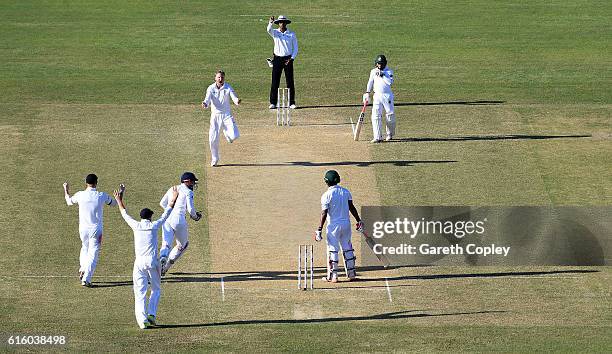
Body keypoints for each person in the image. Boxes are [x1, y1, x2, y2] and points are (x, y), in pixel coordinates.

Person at [114, 184, 178, 329]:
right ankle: (152, 314)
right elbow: (166, 213)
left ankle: (143, 321)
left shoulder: (135, 225)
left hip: (140, 263)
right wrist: (172, 199)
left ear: (141, 217)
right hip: (153, 262)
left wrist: (119, 199)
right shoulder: (154, 225)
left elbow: (124, 213)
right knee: (156, 289)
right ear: (150, 217)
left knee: (140, 292)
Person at [63, 174, 122, 287]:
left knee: (85, 247)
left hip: (83, 229)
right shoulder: (101, 195)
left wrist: (66, 190)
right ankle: (86, 278)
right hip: (96, 230)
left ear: (86, 182)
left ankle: (83, 269)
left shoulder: (80, 195)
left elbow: (69, 202)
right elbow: (115, 203)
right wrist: (121, 193)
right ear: (96, 183)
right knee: (93, 254)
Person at [314, 170, 364, 282]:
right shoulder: (346, 192)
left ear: (326, 182)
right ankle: (351, 274)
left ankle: (333, 276)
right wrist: (358, 220)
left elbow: (324, 213)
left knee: (332, 250)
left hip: (333, 227)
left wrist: (319, 229)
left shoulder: (326, 195)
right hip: (346, 225)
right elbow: (352, 207)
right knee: (347, 248)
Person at [159, 172, 202, 276]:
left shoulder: (172, 188)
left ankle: (163, 257)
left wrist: (170, 211)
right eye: (192, 182)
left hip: (166, 218)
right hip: (179, 221)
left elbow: (162, 203)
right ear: (187, 181)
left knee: (166, 243)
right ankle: (166, 266)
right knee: (183, 245)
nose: (193, 184)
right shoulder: (188, 192)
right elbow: (191, 210)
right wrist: (196, 217)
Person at [201, 70, 241, 167]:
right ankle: (215, 158)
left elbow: (233, 96)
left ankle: (227, 134)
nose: (220, 79)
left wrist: (237, 101)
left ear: (224, 78)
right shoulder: (210, 88)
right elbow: (207, 99)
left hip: (226, 115)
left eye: (222, 77)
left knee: (235, 135)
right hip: (215, 116)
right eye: (218, 77)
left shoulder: (228, 87)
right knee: (212, 139)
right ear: (215, 78)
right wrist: (205, 103)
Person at [266, 15, 298, 109]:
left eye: (283, 22)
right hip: (277, 59)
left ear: (286, 23)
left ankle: (291, 103)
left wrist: (292, 58)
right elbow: (268, 30)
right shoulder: (275, 32)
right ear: (278, 24)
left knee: (290, 81)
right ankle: (273, 102)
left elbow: (295, 48)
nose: (282, 24)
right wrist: (270, 22)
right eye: (280, 22)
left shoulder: (291, 34)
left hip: (288, 59)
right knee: (275, 81)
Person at [363, 54, 395, 143]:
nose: (380, 65)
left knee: (390, 115)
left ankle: (389, 134)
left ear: (385, 64)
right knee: (375, 116)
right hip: (377, 96)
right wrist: (367, 92)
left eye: (381, 64)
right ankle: (377, 137)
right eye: (378, 63)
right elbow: (370, 82)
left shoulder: (389, 72)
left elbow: (390, 82)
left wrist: (383, 74)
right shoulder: (373, 71)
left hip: (387, 96)